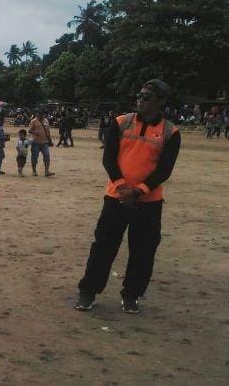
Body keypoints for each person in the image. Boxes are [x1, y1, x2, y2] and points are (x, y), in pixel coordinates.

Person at [75, 79, 181, 314]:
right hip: (116, 198)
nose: (140, 101)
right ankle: (88, 292)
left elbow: (164, 170)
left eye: (147, 98)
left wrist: (139, 191)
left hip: (148, 203)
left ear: (161, 102)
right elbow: (109, 159)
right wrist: (123, 188)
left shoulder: (170, 132)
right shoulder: (121, 122)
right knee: (103, 246)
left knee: (143, 251)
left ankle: (131, 295)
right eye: (139, 96)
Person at [28, 109, 55, 177]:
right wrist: (36, 132)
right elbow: (29, 130)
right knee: (34, 157)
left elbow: (48, 132)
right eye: (40, 114)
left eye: (42, 114)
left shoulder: (46, 121)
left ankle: (46, 171)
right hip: (36, 142)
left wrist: (50, 140)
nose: (41, 115)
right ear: (37, 114)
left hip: (45, 142)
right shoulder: (33, 121)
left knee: (47, 156)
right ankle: (34, 171)